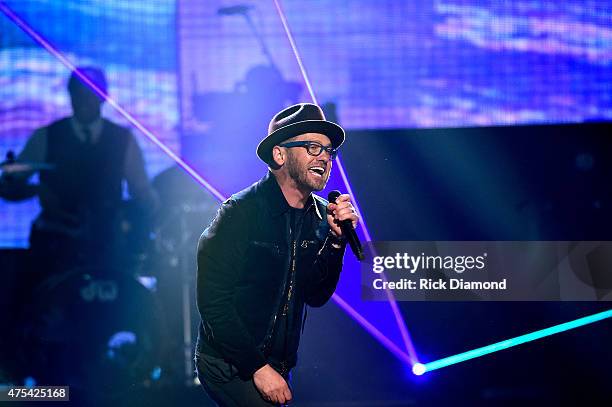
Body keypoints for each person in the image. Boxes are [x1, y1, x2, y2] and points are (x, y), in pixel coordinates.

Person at [195, 103, 359, 406]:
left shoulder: (321, 216)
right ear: (280, 154)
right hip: (229, 363)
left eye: (328, 150)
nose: (324, 157)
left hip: (278, 364)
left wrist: (337, 242)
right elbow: (212, 301)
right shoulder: (241, 213)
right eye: (312, 147)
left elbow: (315, 295)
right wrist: (257, 368)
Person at [0, 66, 155, 274]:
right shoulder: (45, 136)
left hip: (106, 246)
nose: (84, 101)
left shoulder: (123, 140)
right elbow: (9, 185)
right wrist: (37, 190)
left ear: (103, 98)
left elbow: (142, 193)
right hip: (54, 246)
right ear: (70, 95)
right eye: (78, 93)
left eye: (91, 94)